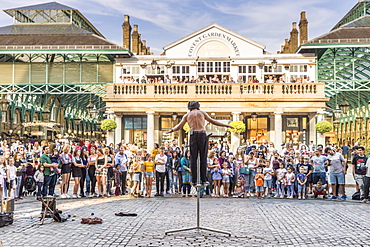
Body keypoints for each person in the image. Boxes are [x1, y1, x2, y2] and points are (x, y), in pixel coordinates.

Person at [166, 101, 233, 185]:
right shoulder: (202, 113)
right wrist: (226, 125)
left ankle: (194, 181)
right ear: (198, 106)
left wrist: (171, 130)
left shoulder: (187, 115)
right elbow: (213, 121)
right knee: (203, 158)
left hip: (193, 134)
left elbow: (179, 126)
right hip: (201, 133)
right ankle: (204, 179)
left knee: (193, 158)